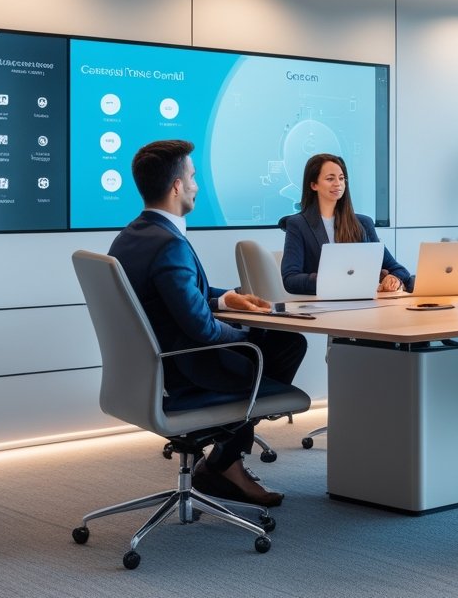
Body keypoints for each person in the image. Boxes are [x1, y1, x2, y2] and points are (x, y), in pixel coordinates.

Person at [109, 139, 306, 507]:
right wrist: (248, 333)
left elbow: (172, 292)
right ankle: (224, 462)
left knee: (276, 342)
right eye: (194, 176)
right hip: (186, 369)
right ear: (177, 186)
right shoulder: (169, 243)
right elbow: (202, 330)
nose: (198, 185)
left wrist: (223, 298)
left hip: (152, 369)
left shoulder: (132, 236)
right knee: (287, 343)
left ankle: (224, 459)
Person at [281, 153, 413, 295]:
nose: (338, 183)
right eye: (330, 179)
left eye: (341, 178)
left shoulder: (363, 223)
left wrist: (393, 278)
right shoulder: (298, 224)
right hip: (323, 307)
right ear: (313, 185)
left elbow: (399, 269)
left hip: (365, 304)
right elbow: (290, 279)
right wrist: (330, 280)